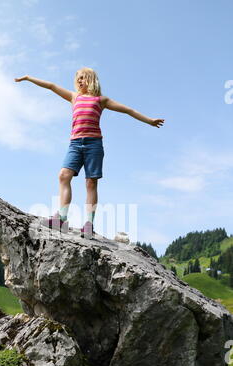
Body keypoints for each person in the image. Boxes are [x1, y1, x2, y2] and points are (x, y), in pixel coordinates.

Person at [14, 67, 164, 239]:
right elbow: (51, 86)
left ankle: (89, 225)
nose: (79, 80)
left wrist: (150, 121)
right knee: (64, 175)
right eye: (78, 78)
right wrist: (27, 77)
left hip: (94, 144)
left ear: (92, 80)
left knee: (91, 183)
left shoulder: (101, 100)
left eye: (83, 77)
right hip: (75, 143)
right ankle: (61, 219)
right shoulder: (74, 97)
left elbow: (128, 110)